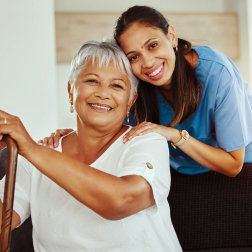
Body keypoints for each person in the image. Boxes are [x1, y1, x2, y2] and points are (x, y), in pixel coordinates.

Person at [0, 40, 182, 251]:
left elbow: (121, 201)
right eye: (92, 81)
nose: (103, 93)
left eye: (117, 85)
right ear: (71, 90)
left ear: (130, 101)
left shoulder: (146, 141)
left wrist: (31, 149)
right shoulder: (37, 156)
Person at [44, 5, 252, 177]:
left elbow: (233, 164)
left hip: (241, 173)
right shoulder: (136, 86)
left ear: (171, 36)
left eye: (152, 45)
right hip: (177, 174)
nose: (148, 63)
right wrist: (69, 140)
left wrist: (174, 135)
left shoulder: (217, 72)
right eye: (134, 57)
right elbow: (113, 133)